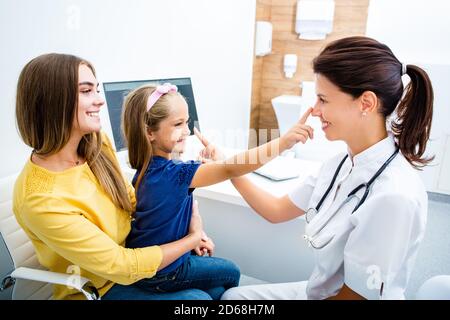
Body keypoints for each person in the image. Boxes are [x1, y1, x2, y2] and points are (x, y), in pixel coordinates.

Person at [220, 36, 434, 300]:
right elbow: (276, 211)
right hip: (320, 292)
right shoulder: (341, 164)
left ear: (366, 103)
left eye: (323, 99)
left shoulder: (394, 196)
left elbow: (356, 296)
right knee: (233, 298)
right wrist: (227, 170)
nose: (314, 110)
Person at [14, 53, 217, 300]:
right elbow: (120, 267)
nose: (100, 100)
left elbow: (132, 201)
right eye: (87, 91)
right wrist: (190, 238)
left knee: (216, 287)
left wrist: (182, 231)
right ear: (53, 102)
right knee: (199, 300)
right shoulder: (39, 198)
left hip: (134, 255)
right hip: (101, 287)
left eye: (97, 89)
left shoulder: (97, 145)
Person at [120, 81, 314, 300]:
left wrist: (201, 167)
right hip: (166, 273)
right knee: (231, 272)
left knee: (214, 289)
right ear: (149, 132)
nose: (186, 131)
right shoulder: (176, 175)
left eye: (187, 122)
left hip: (151, 267)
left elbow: (167, 205)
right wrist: (282, 143)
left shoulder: (148, 172)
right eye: (177, 124)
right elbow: (230, 168)